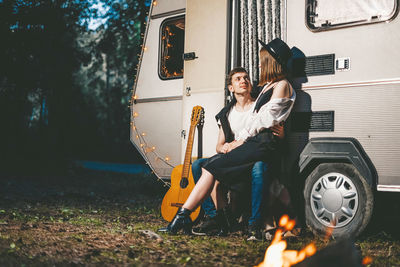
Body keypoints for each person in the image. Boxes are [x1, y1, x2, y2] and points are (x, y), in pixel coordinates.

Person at [159, 38, 295, 236]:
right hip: (256, 143)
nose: (257, 65)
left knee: (210, 167)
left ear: (270, 62)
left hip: (262, 144)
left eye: (261, 60)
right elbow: (254, 122)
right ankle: (195, 217)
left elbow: (264, 119)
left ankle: (183, 219)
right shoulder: (268, 87)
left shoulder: (282, 85)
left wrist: (239, 142)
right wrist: (233, 143)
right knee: (208, 166)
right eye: (238, 79)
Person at [191, 67, 284, 240]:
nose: (243, 81)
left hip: (253, 158)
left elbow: (274, 131)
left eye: (246, 78)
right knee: (198, 164)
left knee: (260, 167)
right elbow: (219, 145)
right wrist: (224, 148)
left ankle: (254, 225)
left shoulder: (261, 106)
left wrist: (281, 132)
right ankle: (216, 218)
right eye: (238, 79)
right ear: (231, 88)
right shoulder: (226, 113)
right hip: (233, 160)